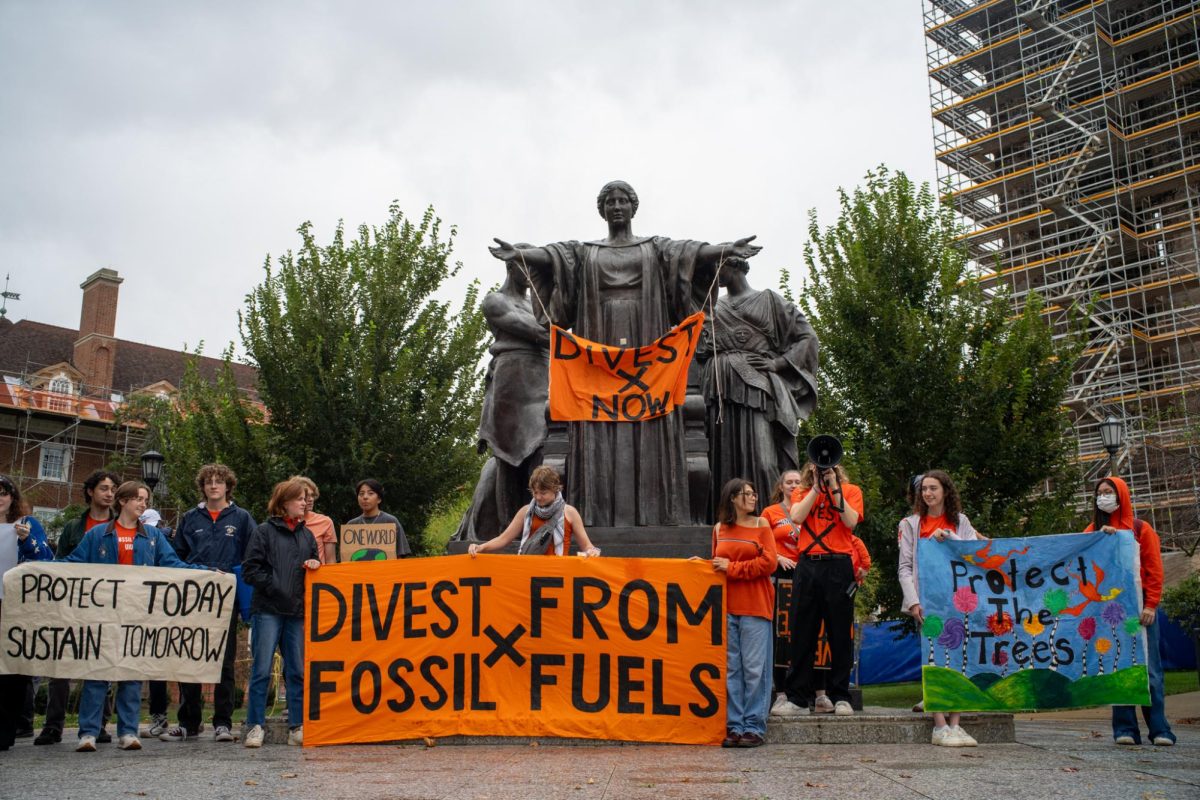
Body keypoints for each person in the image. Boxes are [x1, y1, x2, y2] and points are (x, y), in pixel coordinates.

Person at [489, 180, 762, 526]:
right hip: (598, 345)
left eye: (623, 201)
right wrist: (522, 255)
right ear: (602, 210)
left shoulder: (654, 248)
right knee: (597, 420)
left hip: (646, 344)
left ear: (633, 208)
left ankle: (658, 517)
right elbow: (556, 256)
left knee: (650, 422)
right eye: (610, 202)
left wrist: (722, 250)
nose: (617, 206)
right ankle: (596, 516)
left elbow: (689, 253)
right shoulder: (586, 251)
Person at [61, 481, 208, 752]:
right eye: (138, 499)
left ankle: (127, 731)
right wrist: (39, 567)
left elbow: (174, 565)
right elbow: (74, 562)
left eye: (145, 499)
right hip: (103, 613)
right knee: (97, 672)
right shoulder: (98, 535)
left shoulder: (152, 536)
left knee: (131, 672)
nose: (143, 504)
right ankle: (88, 733)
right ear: (123, 501)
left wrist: (206, 572)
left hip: (138, 614)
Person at [696, 258, 818, 510]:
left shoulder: (769, 300)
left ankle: (774, 520)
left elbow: (808, 336)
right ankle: (725, 522)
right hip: (718, 390)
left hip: (756, 388)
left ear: (737, 267)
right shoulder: (712, 307)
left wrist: (780, 363)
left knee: (764, 460)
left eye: (719, 268)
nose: (715, 275)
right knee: (721, 460)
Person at [455, 248, 550, 541]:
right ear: (511, 268)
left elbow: (552, 328)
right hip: (512, 381)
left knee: (541, 448)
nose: (532, 275)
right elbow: (538, 332)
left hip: (542, 378)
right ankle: (506, 531)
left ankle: (539, 526)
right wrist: (556, 329)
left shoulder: (536, 303)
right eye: (527, 267)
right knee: (508, 454)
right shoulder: (496, 301)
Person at [160, 464, 256, 744]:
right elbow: (176, 556)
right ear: (202, 487)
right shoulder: (191, 518)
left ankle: (223, 723)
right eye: (209, 482)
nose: (214, 486)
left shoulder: (242, 518)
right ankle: (189, 723)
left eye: (219, 481)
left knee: (224, 661)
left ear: (228, 486)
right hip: (194, 596)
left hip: (226, 598)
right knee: (190, 657)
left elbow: (250, 557)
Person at [763, 470, 869, 715]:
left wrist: (833, 488)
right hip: (808, 563)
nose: (823, 470)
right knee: (801, 632)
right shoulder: (802, 492)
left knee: (840, 632)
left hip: (839, 563)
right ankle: (798, 698)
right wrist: (815, 489)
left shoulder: (850, 490)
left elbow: (851, 521)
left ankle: (841, 696)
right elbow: (797, 516)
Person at [897, 470, 985, 746]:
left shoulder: (961, 522)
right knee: (933, 661)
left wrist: (950, 538)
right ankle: (939, 726)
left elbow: (973, 553)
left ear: (945, 491)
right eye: (924, 489)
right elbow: (904, 567)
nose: (927, 493)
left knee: (959, 661)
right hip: (927, 602)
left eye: (933, 488)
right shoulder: (910, 524)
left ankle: (956, 724)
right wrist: (913, 601)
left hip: (958, 600)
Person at [1085, 476, 1175, 747]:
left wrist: (1151, 604)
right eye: (1099, 493)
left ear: (1121, 494)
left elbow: (1153, 568)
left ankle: (1159, 728)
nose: (1103, 497)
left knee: (1150, 671)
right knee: (1118, 668)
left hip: (1139, 611)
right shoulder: (1092, 530)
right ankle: (1124, 728)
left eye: (1108, 492)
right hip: (1110, 615)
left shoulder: (1140, 529)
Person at [34, 469, 119, 746]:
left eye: (113, 489)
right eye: (104, 488)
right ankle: (53, 725)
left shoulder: (121, 528)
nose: (109, 494)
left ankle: (99, 724)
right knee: (62, 666)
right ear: (90, 492)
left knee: (102, 666)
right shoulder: (74, 527)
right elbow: (62, 562)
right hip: (74, 606)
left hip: (108, 605)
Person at [693, 478, 776, 747]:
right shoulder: (719, 528)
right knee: (732, 670)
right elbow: (720, 564)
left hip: (755, 605)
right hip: (727, 607)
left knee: (754, 669)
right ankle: (735, 725)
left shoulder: (762, 524)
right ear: (733, 498)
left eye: (754, 493)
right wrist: (703, 566)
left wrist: (733, 569)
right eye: (747, 494)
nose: (753, 498)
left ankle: (754, 726)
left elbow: (769, 563)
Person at [241, 478, 321, 748]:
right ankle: (255, 726)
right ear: (284, 502)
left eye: (306, 498)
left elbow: (315, 568)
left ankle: (296, 726)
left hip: (296, 612)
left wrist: (314, 565)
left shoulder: (307, 535)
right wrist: (275, 586)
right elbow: (251, 570)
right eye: (300, 498)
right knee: (261, 670)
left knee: (297, 671)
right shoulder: (263, 532)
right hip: (268, 610)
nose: (304, 502)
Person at [0, 476, 54, 751]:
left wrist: (27, 540)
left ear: (12, 497)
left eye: (3, 493)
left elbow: (46, 559)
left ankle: (8, 729)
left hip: (15, 604)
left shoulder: (27, 524)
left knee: (13, 671)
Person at [468, 466, 601, 557]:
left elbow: (587, 546)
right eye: (535, 492)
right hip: (529, 571)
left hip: (558, 574)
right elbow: (503, 539)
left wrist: (592, 552)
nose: (538, 497)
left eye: (543, 493)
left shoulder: (570, 513)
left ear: (555, 489)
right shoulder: (525, 512)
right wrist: (481, 548)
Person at [345, 479, 412, 559]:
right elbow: (345, 558)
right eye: (361, 494)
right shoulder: (351, 525)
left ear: (379, 499)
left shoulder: (391, 521)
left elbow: (400, 555)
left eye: (370, 493)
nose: (365, 497)